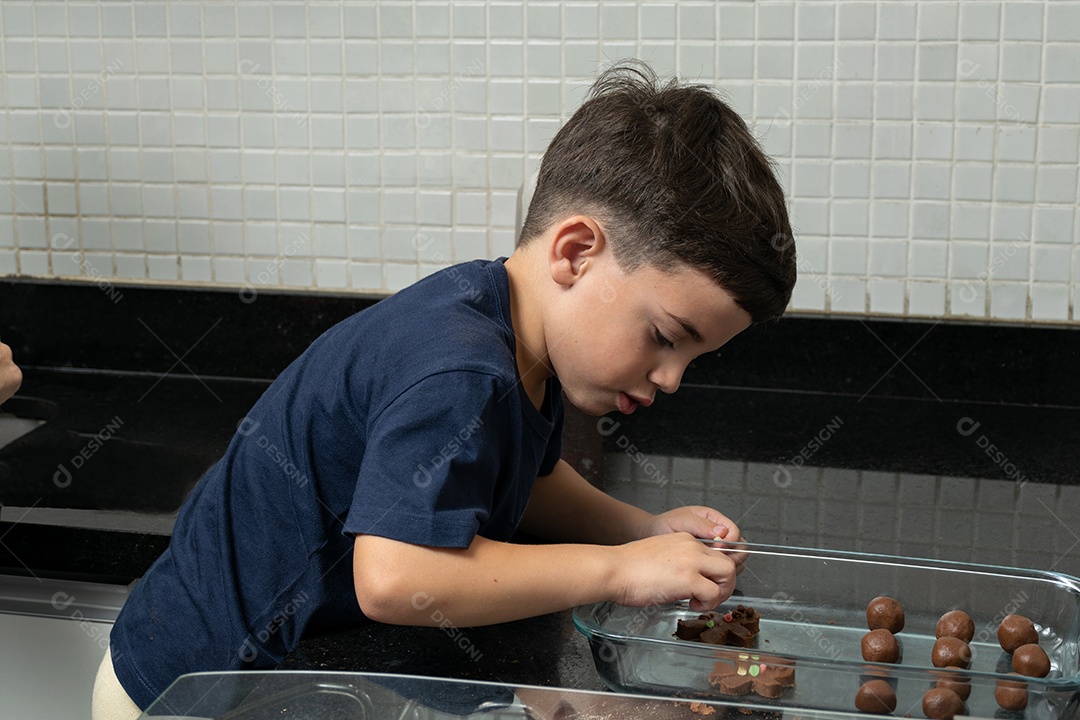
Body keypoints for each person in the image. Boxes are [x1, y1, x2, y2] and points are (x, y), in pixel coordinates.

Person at [93, 60, 796, 718]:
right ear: (575, 254)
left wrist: (640, 530)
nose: (671, 378)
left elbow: (523, 479)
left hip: (287, 673)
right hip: (194, 692)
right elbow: (397, 575)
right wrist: (619, 571)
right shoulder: (461, 371)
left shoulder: (516, 334)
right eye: (666, 336)